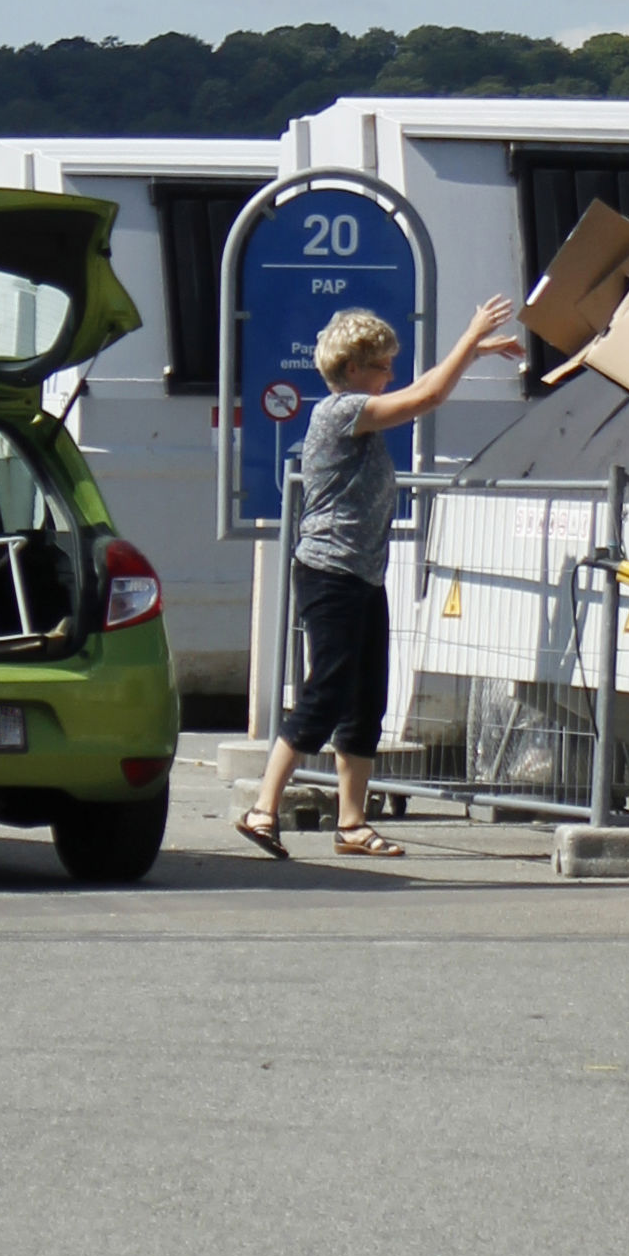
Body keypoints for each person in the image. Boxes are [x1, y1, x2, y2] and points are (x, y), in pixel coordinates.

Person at [237, 295, 522, 862]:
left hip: (363, 572)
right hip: (330, 570)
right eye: (382, 365)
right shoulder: (338, 411)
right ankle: (263, 807)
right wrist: (470, 338)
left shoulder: (357, 409)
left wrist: (474, 352)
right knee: (327, 691)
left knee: (366, 701)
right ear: (352, 369)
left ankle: (352, 823)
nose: (391, 375)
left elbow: (423, 390)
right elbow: (428, 396)